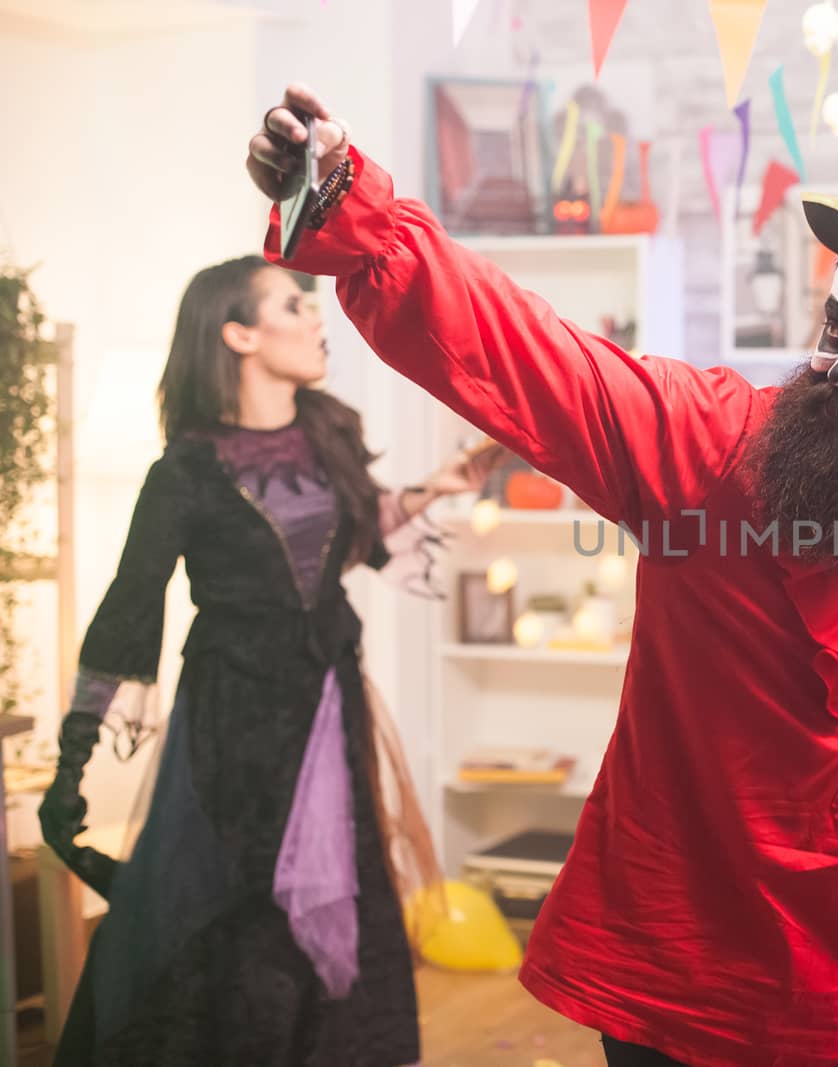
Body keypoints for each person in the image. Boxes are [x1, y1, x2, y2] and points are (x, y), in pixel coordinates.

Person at [243, 85, 838, 1066]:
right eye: (835, 325)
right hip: (677, 981)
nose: (834, 369)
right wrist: (349, 206)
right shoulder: (706, 440)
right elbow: (529, 354)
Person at [38, 254, 505, 1066]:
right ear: (239, 333)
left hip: (327, 708)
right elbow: (128, 607)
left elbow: (345, 538)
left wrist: (436, 486)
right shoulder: (183, 469)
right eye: (295, 304)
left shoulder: (330, 433)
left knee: (336, 896)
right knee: (242, 912)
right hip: (234, 723)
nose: (318, 317)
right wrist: (72, 758)